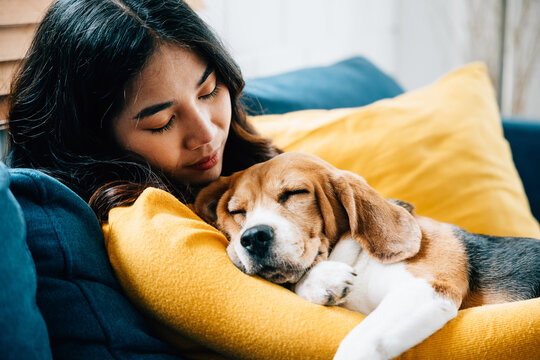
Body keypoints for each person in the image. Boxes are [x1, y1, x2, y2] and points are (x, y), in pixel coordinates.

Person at [6, 1, 533, 359]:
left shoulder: (257, 170)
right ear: (95, 135)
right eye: (162, 121)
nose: (206, 132)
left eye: (210, 90)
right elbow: (294, 335)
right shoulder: (147, 223)